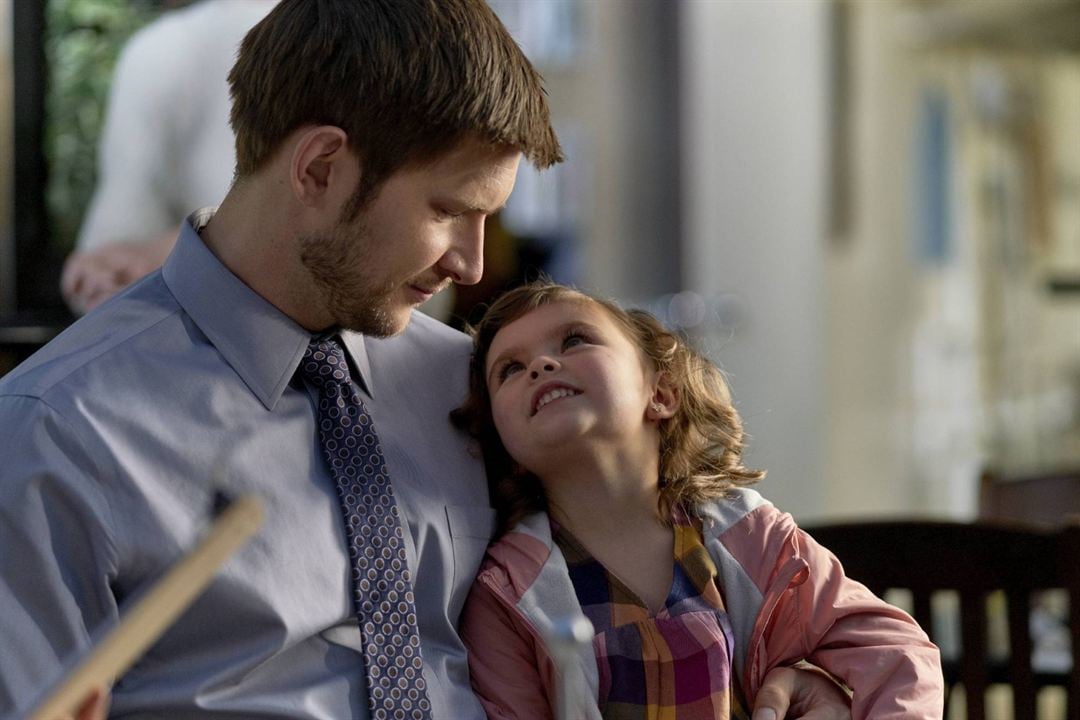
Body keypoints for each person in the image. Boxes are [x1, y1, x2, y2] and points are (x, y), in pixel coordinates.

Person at [3, 1, 855, 718]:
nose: (473, 266)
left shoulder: (477, 390)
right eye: (451, 211)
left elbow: (647, 561)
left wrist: (809, 671)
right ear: (321, 168)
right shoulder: (57, 433)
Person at [453, 281, 946, 719]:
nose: (540, 364)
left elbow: (899, 656)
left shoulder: (752, 535)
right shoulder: (504, 595)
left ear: (661, 393)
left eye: (575, 339)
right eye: (509, 369)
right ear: (505, 446)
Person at [60, 0, 276, 314]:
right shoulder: (162, 52)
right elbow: (106, 263)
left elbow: (103, 271)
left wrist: (132, 261)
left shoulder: (160, 50)